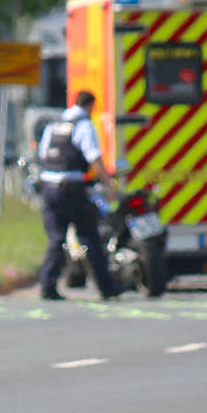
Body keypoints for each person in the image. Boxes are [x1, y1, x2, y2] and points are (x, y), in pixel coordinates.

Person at [36, 89, 120, 300]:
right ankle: (107, 289)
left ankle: (47, 286)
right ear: (90, 105)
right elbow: (94, 157)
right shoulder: (83, 126)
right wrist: (109, 184)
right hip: (72, 191)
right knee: (89, 236)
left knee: (56, 239)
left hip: (49, 188)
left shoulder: (54, 126)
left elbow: (43, 155)